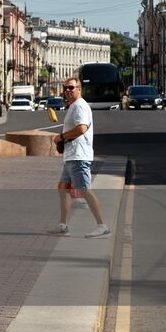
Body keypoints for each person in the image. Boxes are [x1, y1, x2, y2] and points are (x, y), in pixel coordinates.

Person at [50, 77, 110, 238]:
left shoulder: (80, 107)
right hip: (72, 156)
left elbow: (81, 128)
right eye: (66, 88)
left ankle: (102, 225)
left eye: (71, 88)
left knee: (84, 189)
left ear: (79, 89)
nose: (68, 91)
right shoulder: (74, 106)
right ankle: (63, 226)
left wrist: (61, 137)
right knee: (63, 187)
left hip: (79, 155)